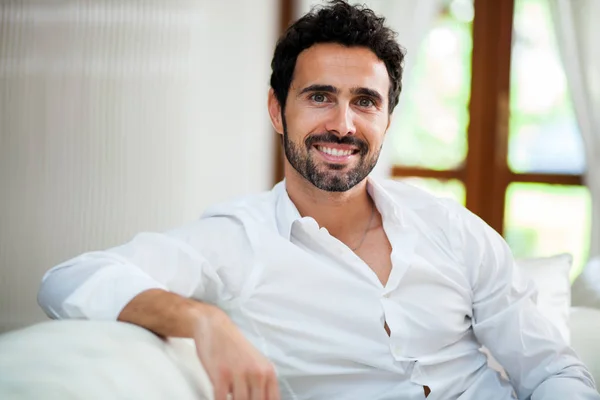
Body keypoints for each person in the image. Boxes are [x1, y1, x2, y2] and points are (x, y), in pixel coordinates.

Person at [38, 1, 599, 399]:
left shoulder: (450, 228)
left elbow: (551, 369)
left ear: (386, 117)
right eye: (320, 97)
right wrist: (202, 320)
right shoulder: (238, 240)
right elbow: (69, 280)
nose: (342, 123)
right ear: (277, 111)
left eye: (365, 101)